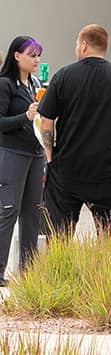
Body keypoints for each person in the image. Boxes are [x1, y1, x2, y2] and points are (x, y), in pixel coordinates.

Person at [38, 25, 111, 236]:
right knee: (109, 238)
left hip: (68, 169)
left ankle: (62, 269)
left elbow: (46, 119)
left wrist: (50, 156)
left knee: (59, 237)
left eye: (77, 43)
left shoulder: (64, 76)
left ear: (84, 44)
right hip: (108, 171)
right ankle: (102, 270)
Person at [0, 36, 45, 282]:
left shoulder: (35, 83)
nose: (36, 59)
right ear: (17, 55)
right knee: (8, 210)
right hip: (12, 153)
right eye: (31, 54)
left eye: (38, 54)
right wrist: (24, 118)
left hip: (36, 153)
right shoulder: (5, 84)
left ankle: (29, 270)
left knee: (33, 212)